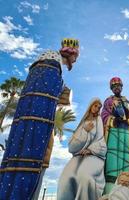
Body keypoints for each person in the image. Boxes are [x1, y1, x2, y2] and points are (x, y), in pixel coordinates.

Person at [0, 38, 79, 200]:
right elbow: (51, 95)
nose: (75, 61)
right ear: (71, 55)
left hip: (29, 120)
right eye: (75, 57)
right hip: (37, 123)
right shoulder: (53, 68)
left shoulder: (44, 68)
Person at [57, 98, 106, 200]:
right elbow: (72, 147)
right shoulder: (82, 123)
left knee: (83, 176)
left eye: (99, 107)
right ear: (90, 105)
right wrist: (85, 131)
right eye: (95, 106)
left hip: (94, 155)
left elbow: (100, 140)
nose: (97, 109)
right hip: (78, 156)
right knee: (65, 178)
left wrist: (90, 150)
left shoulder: (98, 120)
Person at [101, 77, 129, 194]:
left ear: (121, 87)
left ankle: (126, 187)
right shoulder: (108, 101)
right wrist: (113, 119)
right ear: (111, 88)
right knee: (113, 157)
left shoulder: (126, 101)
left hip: (125, 131)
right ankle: (109, 189)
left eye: (118, 86)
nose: (116, 88)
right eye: (114, 86)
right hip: (114, 131)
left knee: (125, 158)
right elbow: (104, 115)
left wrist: (125, 114)